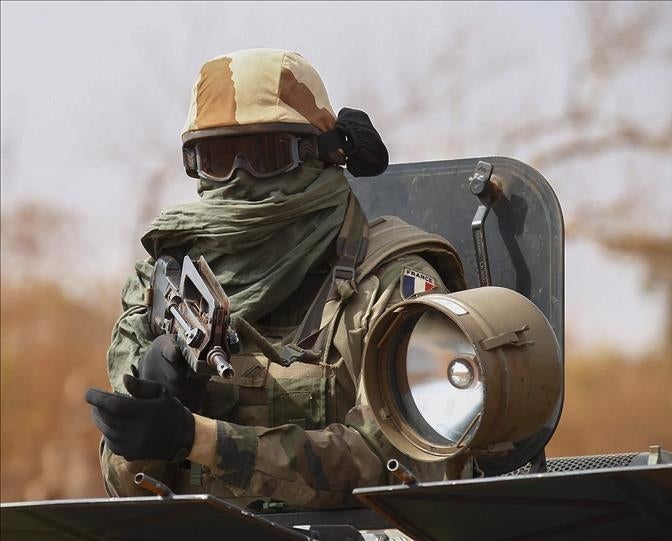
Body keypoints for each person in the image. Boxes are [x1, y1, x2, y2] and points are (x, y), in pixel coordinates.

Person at [85, 48, 468, 509]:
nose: (241, 177)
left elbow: (400, 462)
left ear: (323, 156)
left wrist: (202, 439)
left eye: (266, 156)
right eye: (219, 158)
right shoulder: (164, 285)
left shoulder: (391, 284)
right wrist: (151, 422)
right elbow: (125, 487)